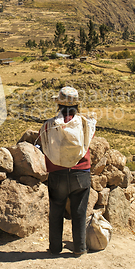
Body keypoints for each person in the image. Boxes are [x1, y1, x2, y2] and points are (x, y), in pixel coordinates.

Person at [38, 86, 96, 257]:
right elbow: (88, 139)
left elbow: (44, 144)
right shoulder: (85, 123)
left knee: (56, 210)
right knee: (79, 211)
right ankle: (80, 248)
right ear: (77, 105)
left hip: (57, 173)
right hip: (81, 172)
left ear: (59, 105)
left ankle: (55, 248)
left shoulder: (49, 125)